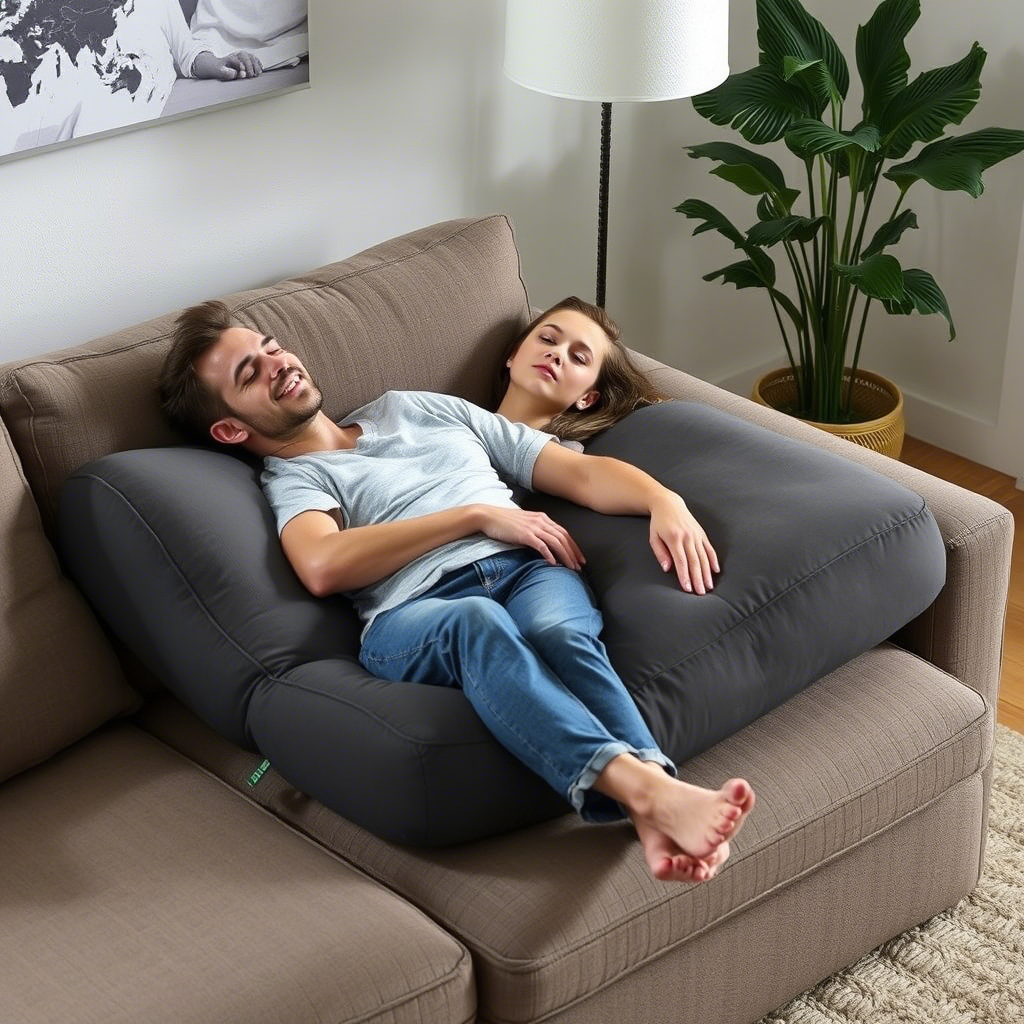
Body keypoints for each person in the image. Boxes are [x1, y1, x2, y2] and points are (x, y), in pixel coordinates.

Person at [158, 301, 755, 883]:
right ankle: (651, 787)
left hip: (528, 569)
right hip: (414, 614)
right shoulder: (295, 477)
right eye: (250, 373)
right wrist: (473, 516)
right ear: (231, 427)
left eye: (270, 347)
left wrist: (663, 501)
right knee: (475, 621)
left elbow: (572, 470)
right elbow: (321, 564)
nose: (278, 363)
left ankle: (650, 812)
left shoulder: (411, 408)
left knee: (559, 632)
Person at [493, 296, 665, 445]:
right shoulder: (467, 418)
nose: (557, 354)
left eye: (578, 358)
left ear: (587, 398)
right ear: (513, 355)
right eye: (548, 339)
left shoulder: (566, 462)